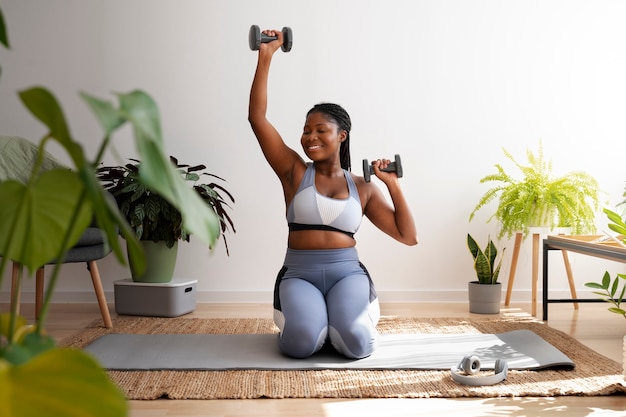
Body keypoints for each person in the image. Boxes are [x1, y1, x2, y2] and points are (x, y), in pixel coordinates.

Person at [248, 29, 418, 359]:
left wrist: (392, 185)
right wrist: (266, 56)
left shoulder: (363, 187)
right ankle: (309, 322)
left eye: (320, 130)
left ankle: (347, 319)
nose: (309, 137)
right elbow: (257, 118)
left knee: (358, 344)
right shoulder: (294, 173)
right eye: (306, 130)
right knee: (300, 343)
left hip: (347, 274)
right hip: (299, 273)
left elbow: (408, 236)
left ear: (342, 136)